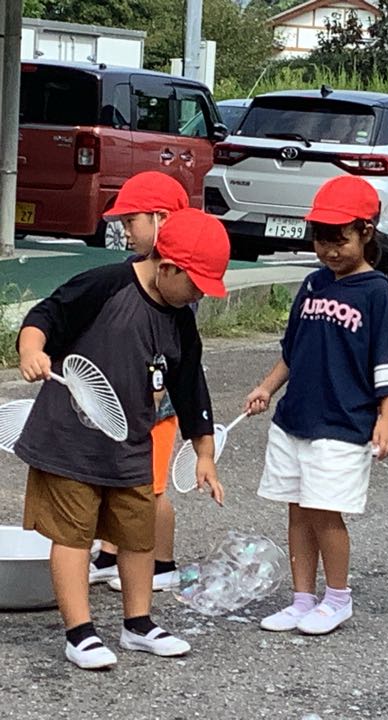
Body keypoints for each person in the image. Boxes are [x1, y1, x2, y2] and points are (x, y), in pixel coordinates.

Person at [15, 207, 229, 670]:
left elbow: (190, 386)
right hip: (70, 439)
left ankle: (138, 623)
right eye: (195, 285)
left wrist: (204, 452)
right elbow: (46, 314)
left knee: (138, 532)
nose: (198, 296)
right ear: (168, 267)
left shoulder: (180, 319)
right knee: (73, 535)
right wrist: (31, 349)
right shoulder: (107, 284)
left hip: (131, 442)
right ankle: (80, 633)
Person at [245, 175, 388, 636]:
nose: (330, 251)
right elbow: (293, 351)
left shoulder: (376, 291)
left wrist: (387, 419)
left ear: (366, 231)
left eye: (340, 240)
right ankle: (302, 599)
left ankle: (337, 597)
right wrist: (267, 388)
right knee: (298, 510)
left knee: (325, 511)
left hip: (344, 421)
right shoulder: (313, 284)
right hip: (295, 417)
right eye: (321, 240)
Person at [88, 171, 189, 592]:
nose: (126, 232)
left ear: (161, 218)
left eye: (131, 222)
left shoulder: (178, 275)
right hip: (125, 401)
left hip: (157, 406)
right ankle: (111, 554)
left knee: (150, 488)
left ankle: (163, 564)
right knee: (119, 480)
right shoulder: (130, 271)